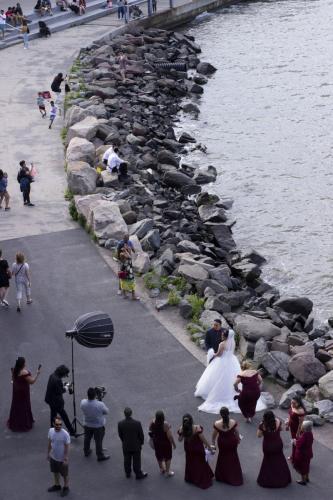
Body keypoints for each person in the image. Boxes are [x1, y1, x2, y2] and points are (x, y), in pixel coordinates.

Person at [195, 329, 265, 414]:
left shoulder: (222, 344)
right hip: (232, 360)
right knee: (231, 377)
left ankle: (215, 393)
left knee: (217, 377)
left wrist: (212, 353)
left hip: (222, 361)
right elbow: (231, 351)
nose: (221, 336)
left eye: (222, 335)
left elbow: (219, 354)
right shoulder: (233, 342)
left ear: (225, 336)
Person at [178, 414, 214, 489]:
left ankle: (191, 478)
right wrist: (210, 448)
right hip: (198, 449)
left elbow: (180, 440)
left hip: (188, 449)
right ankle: (201, 479)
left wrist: (181, 432)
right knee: (201, 463)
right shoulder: (197, 428)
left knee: (191, 463)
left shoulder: (182, 428)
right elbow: (203, 439)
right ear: (191, 420)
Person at [257, 410, 291, 488]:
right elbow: (280, 429)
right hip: (278, 444)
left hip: (268, 446)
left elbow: (259, 435)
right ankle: (283, 478)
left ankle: (269, 480)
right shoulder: (278, 421)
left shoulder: (262, 425)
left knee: (268, 462)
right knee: (280, 460)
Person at [7, 357, 41, 431]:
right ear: (23, 364)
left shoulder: (14, 370)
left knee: (16, 406)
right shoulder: (24, 372)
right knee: (24, 406)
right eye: (25, 362)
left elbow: (12, 379)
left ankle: (15, 421)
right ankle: (24, 422)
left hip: (16, 392)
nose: (26, 363)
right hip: (23, 392)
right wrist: (37, 374)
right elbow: (32, 382)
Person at [212, 407, 243, 485]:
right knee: (233, 456)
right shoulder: (233, 422)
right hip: (232, 442)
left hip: (222, 443)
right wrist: (238, 439)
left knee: (222, 457)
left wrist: (213, 443)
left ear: (221, 415)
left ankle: (223, 475)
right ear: (228, 413)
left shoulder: (217, 423)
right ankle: (234, 472)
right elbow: (236, 431)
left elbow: (214, 435)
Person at [45, 365, 77, 436]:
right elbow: (60, 391)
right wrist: (66, 387)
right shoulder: (58, 380)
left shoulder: (52, 375)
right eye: (65, 375)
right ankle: (71, 431)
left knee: (53, 414)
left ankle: (52, 429)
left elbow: (55, 387)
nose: (65, 376)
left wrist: (63, 385)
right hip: (57, 402)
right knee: (64, 416)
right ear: (62, 373)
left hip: (50, 399)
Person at [80, 387, 110, 462]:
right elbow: (106, 412)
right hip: (98, 426)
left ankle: (86, 451)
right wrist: (99, 399)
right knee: (98, 441)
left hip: (87, 424)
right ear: (95, 395)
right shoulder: (100, 404)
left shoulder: (83, 403)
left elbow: (84, 404)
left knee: (87, 438)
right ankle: (100, 455)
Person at [118, 407, 147, 479]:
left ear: (124, 414)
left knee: (126, 459)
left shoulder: (120, 423)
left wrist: (124, 441)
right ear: (131, 413)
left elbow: (120, 435)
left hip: (126, 445)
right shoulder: (137, 423)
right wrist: (141, 443)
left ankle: (127, 473)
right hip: (136, 445)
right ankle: (138, 474)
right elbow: (141, 435)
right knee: (136, 460)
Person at [47, 417, 70, 497]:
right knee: (55, 472)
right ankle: (57, 485)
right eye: (57, 424)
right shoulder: (51, 431)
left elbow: (67, 447)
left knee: (64, 474)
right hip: (53, 457)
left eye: (60, 424)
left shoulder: (65, 434)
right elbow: (50, 442)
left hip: (62, 459)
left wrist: (65, 458)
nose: (59, 426)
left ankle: (66, 487)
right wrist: (48, 454)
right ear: (53, 424)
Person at [149, 411, 176, 477]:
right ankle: (167, 471)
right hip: (165, 443)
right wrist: (174, 444)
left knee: (159, 456)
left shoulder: (152, 422)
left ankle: (161, 469)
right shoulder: (165, 424)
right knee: (168, 457)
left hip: (157, 442)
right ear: (163, 417)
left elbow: (150, 429)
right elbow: (170, 436)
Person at [293, 420, 314, 485]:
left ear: (304, 428)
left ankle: (303, 480)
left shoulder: (304, 436)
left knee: (302, 468)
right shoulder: (310, 434)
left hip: (302, 455)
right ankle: (307, 478)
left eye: (302, 425)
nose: (301, 426)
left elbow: (298, 445)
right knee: (306, 466)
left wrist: (294, 441)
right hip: (308, 453)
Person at [285, 395, 305, 462]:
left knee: (296, 443)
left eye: (294, 403)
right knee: (294, 443)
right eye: (291, 402)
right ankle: (294, 456)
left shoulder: (301, 411)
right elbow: (290, 416)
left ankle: (295, 457)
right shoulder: (292, 406)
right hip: (292, 427)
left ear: (299, 403)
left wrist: (298, 433)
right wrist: (288, 425)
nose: (292, 404)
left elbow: (300, 424)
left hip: (297, 429)